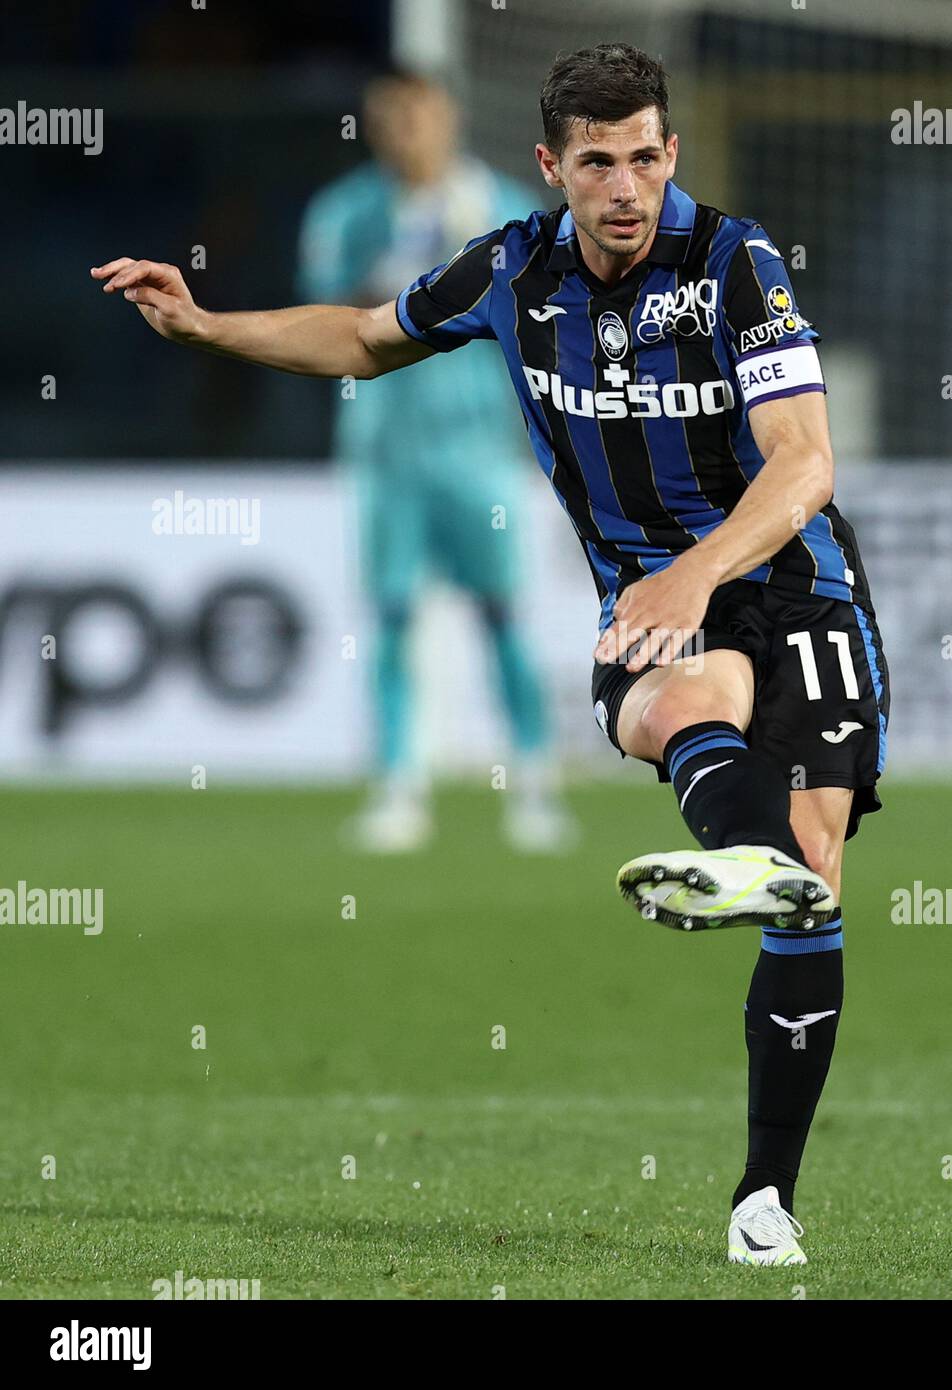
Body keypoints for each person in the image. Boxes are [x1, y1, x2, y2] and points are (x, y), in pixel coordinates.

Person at [91, 41, 889, 1268]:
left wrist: (694, 568)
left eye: (641, 159)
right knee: (684, 703)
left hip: (796, 585)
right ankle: (748, 877)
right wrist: (204, 325)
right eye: (594, 164)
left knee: (814, 878)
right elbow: (362, 336)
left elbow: (805, 463)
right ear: (551, 166)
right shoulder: (511, 269)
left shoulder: (738, 265)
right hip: (660, 609)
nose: (622, 188)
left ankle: (763, 1183)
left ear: (669, 152)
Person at [298, 69, 572, 854]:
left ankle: (534, 785)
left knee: (500, 612)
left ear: (448, 117)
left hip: (477, 447)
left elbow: (552, 310)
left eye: (419, 115)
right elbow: (320, 310)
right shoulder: (346, 212)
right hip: (385, 449)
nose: (406, 132)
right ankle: (398, 785)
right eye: (389, 118)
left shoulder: (505, 208)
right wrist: (398, 271)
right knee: (390, 615)